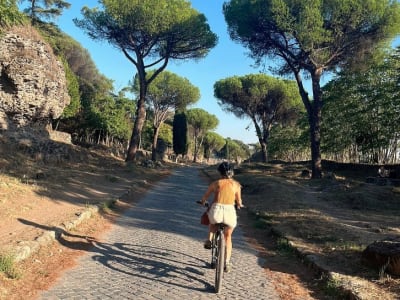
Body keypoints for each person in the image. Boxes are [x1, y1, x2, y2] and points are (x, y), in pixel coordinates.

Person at [199, 161, 243, 273]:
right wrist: (239, 205)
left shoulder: (216, 183)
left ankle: (209, 240)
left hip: (217, 210)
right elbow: (239, 202)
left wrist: (203, 202)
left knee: (212, 223)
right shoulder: (236, 185)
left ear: (220, 173)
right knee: (228, 237)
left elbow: (205, 197)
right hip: (229, 212)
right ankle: (227, 262)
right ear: (231, 172)